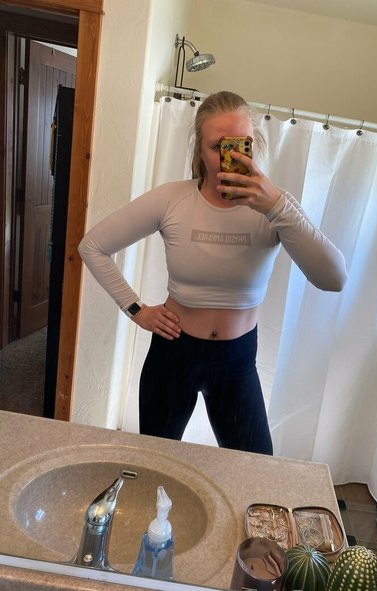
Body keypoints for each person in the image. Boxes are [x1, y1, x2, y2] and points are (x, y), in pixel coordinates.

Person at [78, 90, 348, 455]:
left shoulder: (277, 208)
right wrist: (137, 310)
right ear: (199, 151)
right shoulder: (171, 199)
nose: (230, 158)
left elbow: (334, 279)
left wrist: (276, 207)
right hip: (173, 354)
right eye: (218, 146)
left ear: (254, 145)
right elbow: (92, 246)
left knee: (255, 468)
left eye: (241, 144)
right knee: (157, 462)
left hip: (237, 362)